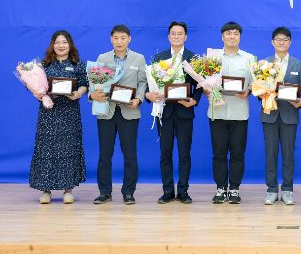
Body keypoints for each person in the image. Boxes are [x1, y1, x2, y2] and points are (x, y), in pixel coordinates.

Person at [90, 24, 147, 205]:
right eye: (116, 38)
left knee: (130, 154)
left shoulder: (138, 58)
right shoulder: (102, 58)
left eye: (123, 38)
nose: (119, 42)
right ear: (111, 39)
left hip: (129, 111)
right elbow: (94, 82)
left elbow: (143, 82)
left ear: (129, 39)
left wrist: (138, 99)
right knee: (105, 154)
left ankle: (128, 192)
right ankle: (104, 192)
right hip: (106, 111)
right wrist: (93, 95)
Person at [28, 30, 88, 204]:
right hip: (49, 113)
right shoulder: (44, 65)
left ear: (70, 44)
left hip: (70, 112)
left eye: (64, 42)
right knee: (46, 149)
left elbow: (85, 84)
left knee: (69, 149)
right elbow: (33, 84)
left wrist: (78, 94)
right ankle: (45, 190)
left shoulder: (77, 64)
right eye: (57, 42)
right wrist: (36, 93)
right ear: (52, 45)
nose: (61, 46)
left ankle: (68, 190)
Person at [145, 21, 201, 205]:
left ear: (186, 37)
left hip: (185, 111)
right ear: (169, 36)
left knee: (185, 153)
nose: (177, 37)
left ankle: (183, 191)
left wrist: (195, 99)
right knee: (165, 153)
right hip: (165, 112)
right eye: (173, 34)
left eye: (180, 34)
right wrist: (149, 95)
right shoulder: (159, 57)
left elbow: (201, 83)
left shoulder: (193, 58)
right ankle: (167, 191)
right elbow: (151, 83)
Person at [205, 22, 253, 204]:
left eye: (235, 34)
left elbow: (255, 83)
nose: (232, 37)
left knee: (237, 153)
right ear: (222, 36)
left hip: (240, 113)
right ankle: (220, 188)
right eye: (228, 33)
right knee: (218, 153)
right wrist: (207, 89)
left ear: (240, 36)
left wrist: (248, 91)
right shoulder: (212, 57)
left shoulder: (249, 58)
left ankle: (234, 188)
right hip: (217, 112)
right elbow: (204, 81)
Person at [261, 26, 301, 205]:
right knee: (270, 154)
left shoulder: (298, 64)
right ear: (272, 42)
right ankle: (272, 189)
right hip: (269, 114)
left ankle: (288, 189)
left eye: (285, 40)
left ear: (290, 42)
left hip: (290, 115)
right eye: (278, 39)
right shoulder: (264, 64)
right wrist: (262, 93)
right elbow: (258, 87)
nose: (281, 42)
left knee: (288, 154)